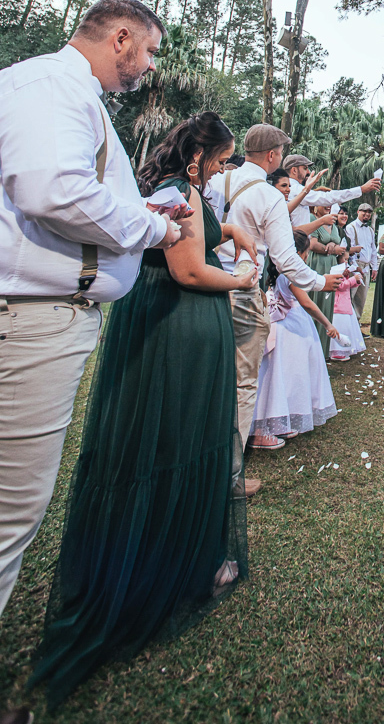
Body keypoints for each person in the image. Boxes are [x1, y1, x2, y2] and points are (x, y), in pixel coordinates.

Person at [28, 112, 259, 706]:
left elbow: (192, 236)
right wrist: (243, 278)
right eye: (223, 159)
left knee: (163, 443)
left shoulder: (172, 190)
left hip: (158, 326)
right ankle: (176, 571)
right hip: (178, 330)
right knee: (179, 443)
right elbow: (188, 270)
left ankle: (168, 558)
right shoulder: (182, 191)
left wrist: (227, 231)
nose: (226, 167)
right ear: (198, 159)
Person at [0, 0, 183, 629]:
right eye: (150, 52)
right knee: (12, 508)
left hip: (36, 312)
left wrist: (144, 213)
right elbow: (53, 190)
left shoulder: (51, 91)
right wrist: (154, 232)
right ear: (122, 39)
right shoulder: (56, 86)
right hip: (32, 320)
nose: (148, 68)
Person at [208, 128, 343, 457]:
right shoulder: (268, 197)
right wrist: (321, 282)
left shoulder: (215, 182)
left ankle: (207, 446)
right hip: (242, 288)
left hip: (207, 284)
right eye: (281, 153)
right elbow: (286, 260)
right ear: (272, 155)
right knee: (243, 378)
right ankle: (231, 466)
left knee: (213, 372)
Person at [250, 232, 340, 447]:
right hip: (290, 330)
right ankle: (262, 427)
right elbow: (307, 304)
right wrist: (327, 324)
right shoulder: (292, 275)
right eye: (307, 251)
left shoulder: (278, 271)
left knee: (287, 375)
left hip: (285, 327)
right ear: (300, 254)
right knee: (285, 374)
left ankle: (281, 419)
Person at [284, 154, 381, 228]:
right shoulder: (295, 189)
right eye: (305, 168)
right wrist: (361, 189)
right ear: (294, 170)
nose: (308, 172)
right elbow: (327, 198)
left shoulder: (294, 188)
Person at [308, 198, 347, 355]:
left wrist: (335, 248)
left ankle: (323, 350)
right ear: (315, 204)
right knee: (315, 301)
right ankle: (311, 350)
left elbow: (339, 246)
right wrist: (329, 249)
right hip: (317, 264)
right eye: (324, 202)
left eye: (330, 203)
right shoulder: (312, 219)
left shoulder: (333, 224)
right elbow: (311, 244)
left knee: (327, 305)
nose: (328, 205)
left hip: (331, 266)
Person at [345, 203, 379, 325]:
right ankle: (348, 325)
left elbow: (373, 250)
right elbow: (349, 249)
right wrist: (355, 267)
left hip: (367, 267)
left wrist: (374, 268)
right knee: (350, 296)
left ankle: (356, 325)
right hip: (355, 266)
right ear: (358, 212)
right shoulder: (351, 227)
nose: (367, 214)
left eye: (369, 212)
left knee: (361, 298)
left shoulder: (370, 230)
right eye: (364, 211)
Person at [330, 270, 367, 361]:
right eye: (345, 260)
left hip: (345, 304)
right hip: (338, 305)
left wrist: (356, 281)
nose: (347, 263)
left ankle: (345, 349)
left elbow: (347, 285)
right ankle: (337, 351)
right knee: (341, 327)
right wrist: (353, 279)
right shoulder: (336, 271)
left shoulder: (343, 272)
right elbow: (341, 286)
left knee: (347, 327)